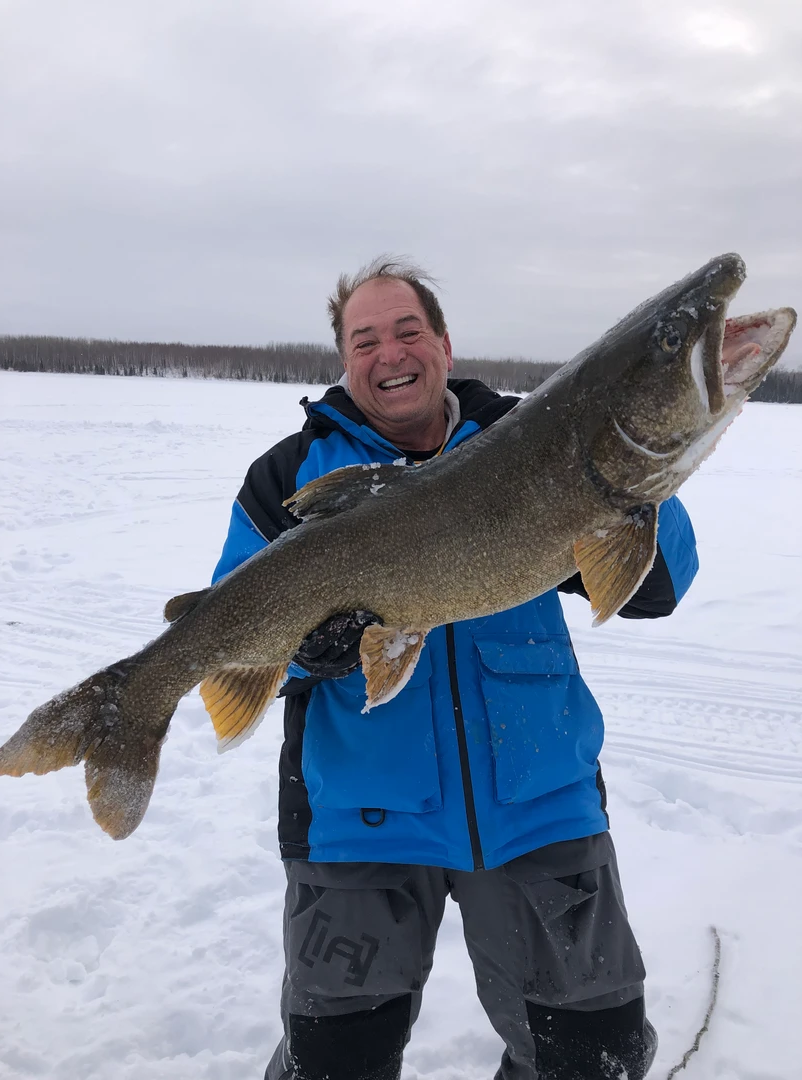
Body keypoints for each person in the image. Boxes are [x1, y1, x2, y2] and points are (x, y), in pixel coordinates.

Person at [212, 258, 699, 1080]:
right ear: (343, 358)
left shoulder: (534, 436)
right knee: (335, 1064)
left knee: (592, 1059)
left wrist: (626, 486)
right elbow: (236, 620)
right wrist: (309, 646)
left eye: (407, 330)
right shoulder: (290, 477)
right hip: (358, 824)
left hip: (540, 807)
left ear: (442, 342)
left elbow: (660, 587)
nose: (389, 352)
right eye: (364, 339)